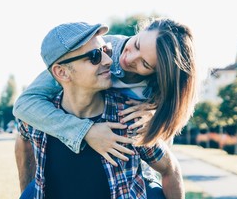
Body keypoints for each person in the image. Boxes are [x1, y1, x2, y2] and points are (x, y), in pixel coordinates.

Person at [17, 22, 185, 198]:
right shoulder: (38, 117)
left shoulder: (129, 119)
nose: (110, 61)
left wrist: (154, 114)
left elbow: (170, 169)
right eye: (95, 56)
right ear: (62, 73)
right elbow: (22, 135)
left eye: (107, 51)